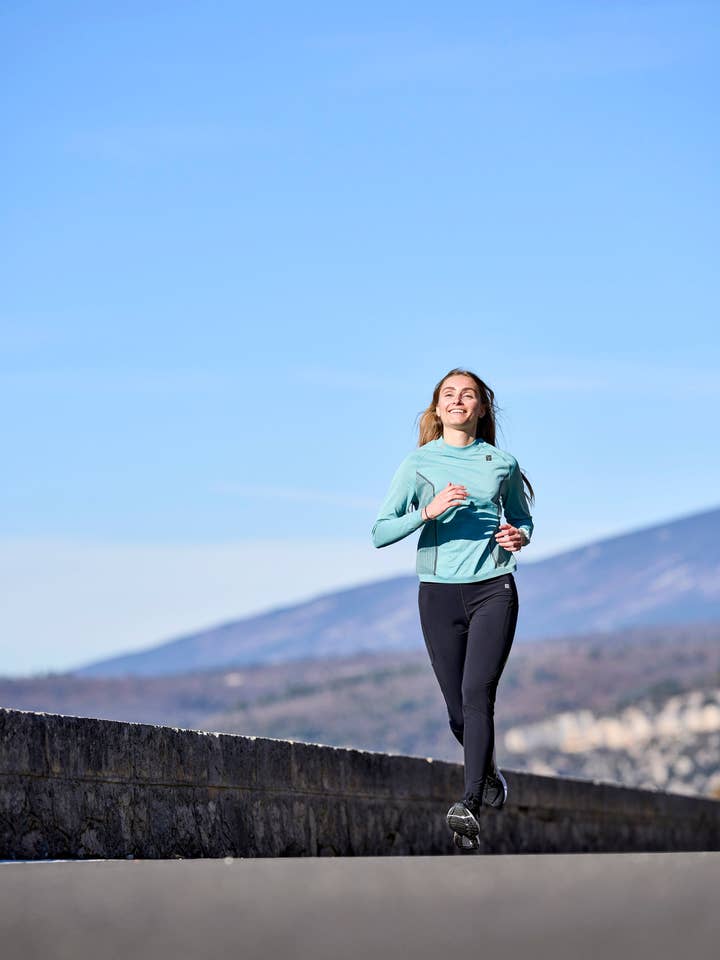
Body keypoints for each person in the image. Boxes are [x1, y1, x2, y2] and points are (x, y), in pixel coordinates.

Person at [371, 367, 535, 851]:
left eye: (468, 395)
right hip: (438, 595)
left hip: (493, 589)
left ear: (481, 408)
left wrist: (519, 536)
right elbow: (379, 531)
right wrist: (428, 510)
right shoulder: (417, 464)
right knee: (459, 715)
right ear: (438, 408)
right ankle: (489, 773)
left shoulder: (500, 463)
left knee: (477, 694)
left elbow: (522, 519)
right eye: (449, 394)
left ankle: (469, 803)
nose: (458, 401)